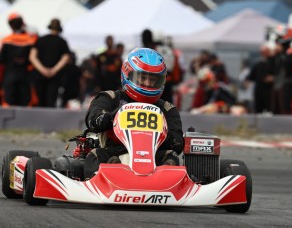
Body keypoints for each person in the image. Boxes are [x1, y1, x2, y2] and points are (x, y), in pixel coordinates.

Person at [83, 48, 184, 179]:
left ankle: (165, 182)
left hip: (153, 156)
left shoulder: (167, 108)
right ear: (127, 74)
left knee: (170, 156)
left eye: (153, 79)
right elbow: (93, 120)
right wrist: (114, 116)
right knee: (96, 155)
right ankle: (112, 171)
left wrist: (163, 132)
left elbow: (178, 144)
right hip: (114, 151)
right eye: (142, 77)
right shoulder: (111, 98)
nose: (147, 84)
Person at [29, 18, 70, 107]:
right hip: (54, 76)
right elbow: (65, 58)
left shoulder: (40, 40)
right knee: (50, 101)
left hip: (40, 75)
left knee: (40, 101)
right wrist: (53, 70)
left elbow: (32, 56)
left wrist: (42, 69)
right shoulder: (62, 42)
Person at [0, 13, 37, 107]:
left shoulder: (6, 40)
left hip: (10, 74)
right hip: (25, 74)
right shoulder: (31, 39)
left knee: (9, 102)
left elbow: (2, 59)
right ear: (22, 23)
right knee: (24, 101)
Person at [271, 25, 292, 114]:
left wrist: (281, 54)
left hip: (289, 84)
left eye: (279, 37)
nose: (277, 40)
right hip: (279, 85)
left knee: (286, 108)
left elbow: (289, 66)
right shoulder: (279, 53)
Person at [246, 44, 275, 113]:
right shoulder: (258, 63)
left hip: (269, 89)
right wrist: (247, 81)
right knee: (258, 108)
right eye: (262, 52)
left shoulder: (273, 61)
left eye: (266, 52)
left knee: (270, 108)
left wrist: (273, 78)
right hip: (259, 89)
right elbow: (251, 76)